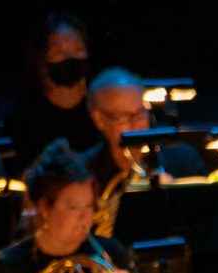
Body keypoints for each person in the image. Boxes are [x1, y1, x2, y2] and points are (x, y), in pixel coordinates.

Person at [0, 140, 137, 273]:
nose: (85, 216)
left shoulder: (110, 253)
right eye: (73, 207)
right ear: (45, 208)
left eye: (89, 205)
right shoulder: (8, 267)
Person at [78, 68, 205, 239]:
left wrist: (173, 196)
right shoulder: (82, 171)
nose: (136, 124)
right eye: (124, 117)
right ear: (99, 119)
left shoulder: (182, 158)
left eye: (140, 113)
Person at [1, 13, 98, 162]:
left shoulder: (103, 107)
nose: (70, 58)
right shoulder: (23, 118)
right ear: (42, 58)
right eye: (59, 52)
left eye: (78, 49)